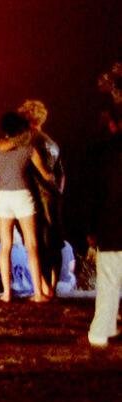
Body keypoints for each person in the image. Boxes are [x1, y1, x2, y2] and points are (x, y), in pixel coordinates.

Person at [0, 111, 54, 303]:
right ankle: (38, 293)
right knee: (31, 245)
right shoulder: (30, 148)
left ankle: (7, 294)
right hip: (23, 196)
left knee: (5, 247)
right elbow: (45, 174)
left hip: (3, 197)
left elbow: (6, 145)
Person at [19, 100, 66, 298]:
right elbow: (62, 173)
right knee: (55, 242)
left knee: (38, 242)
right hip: (54, 197)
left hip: (36, 196)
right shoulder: (52, 142)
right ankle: (53, 287)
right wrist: (58, 191)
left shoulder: (28, 140)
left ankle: (44, 287)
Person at [86, 106, 121, 349]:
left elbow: (94, 194)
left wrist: (91, 228)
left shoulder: (102, 152)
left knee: (108, 282)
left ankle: (101, 330)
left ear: (113, 124)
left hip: (111, 225)